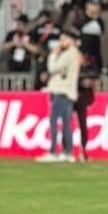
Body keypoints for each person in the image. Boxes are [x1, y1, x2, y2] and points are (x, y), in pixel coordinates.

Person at [40, 29, 81, 161]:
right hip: (68, 92)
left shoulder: (69, 54)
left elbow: (52, 68)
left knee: (54, 121)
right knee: (66, 123)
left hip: (62, 91)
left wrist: (52, 55)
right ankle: (67, 151)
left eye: (64, 39)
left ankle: (53, 152)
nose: (61, 42)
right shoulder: (75, 54)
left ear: (71, 40)